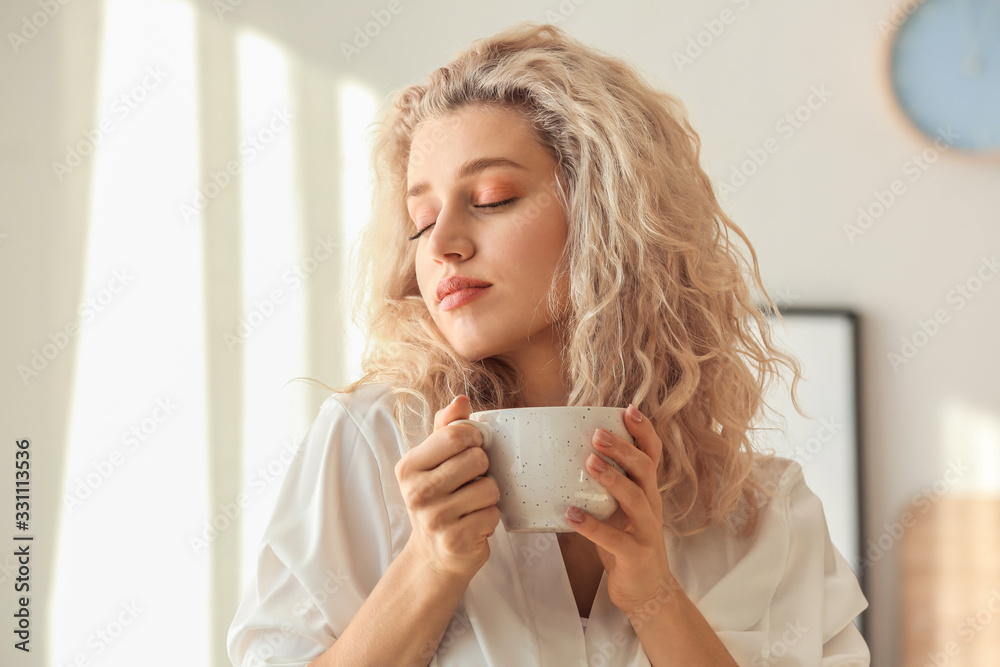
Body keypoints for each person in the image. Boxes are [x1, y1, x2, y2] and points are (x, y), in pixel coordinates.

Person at [227, 21, 869, 667]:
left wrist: (654, 598)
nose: (443, 241)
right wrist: (429, 566)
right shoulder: (371, 447)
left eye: (491, 198)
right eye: (420, 220)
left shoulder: (764, 516)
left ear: (605, 215)